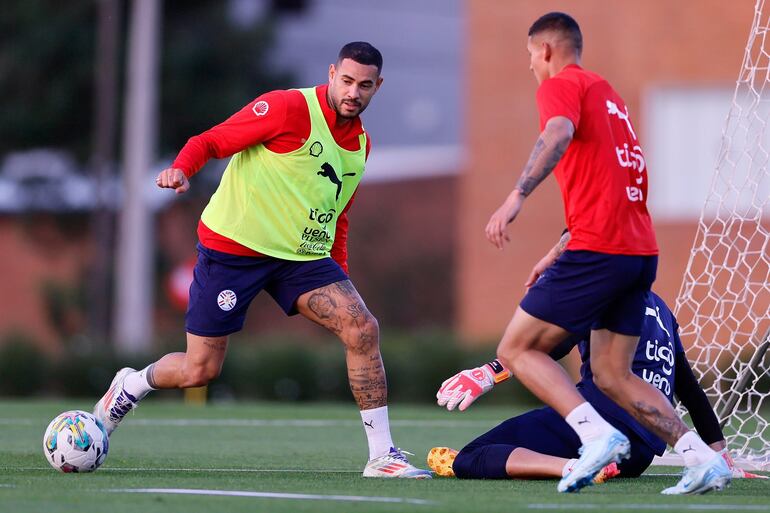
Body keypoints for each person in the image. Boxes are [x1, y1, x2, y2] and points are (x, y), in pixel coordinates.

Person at [94, 42, 431, 479]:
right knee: (200, 371)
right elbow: (211, 140)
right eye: (346, 81)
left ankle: (382, 456)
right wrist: (182, 168)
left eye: (365, 85)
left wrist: (341, 278)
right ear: (331, 74)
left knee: (362, 326)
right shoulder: (287, 108)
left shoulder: (360, 146)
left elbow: (337, 215)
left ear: (377, 87)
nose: (354, 92)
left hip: (301, 257)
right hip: (234, 249)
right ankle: (130, 385)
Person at [482, 12, 731, 494]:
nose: (532, 66)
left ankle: (595, 436)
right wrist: (559, 250)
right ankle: (701, 458)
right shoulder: (608, 95)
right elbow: (608, 184)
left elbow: (556, 133)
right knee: (614, 375)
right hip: (638, 252)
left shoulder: (560, 84)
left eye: (531, 55)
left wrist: (516, 197)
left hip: (600, 249)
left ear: (547, 51)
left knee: (515, 348)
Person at [432, 292, 765, 482]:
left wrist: (490, 372)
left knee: (469, 458)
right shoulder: (662, 310)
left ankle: (577, 466)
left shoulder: (597, 293)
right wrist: (721, 456)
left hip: (599, 423)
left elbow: (544, 348)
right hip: (640, 454)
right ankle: (585, 463)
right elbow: (690, 390)